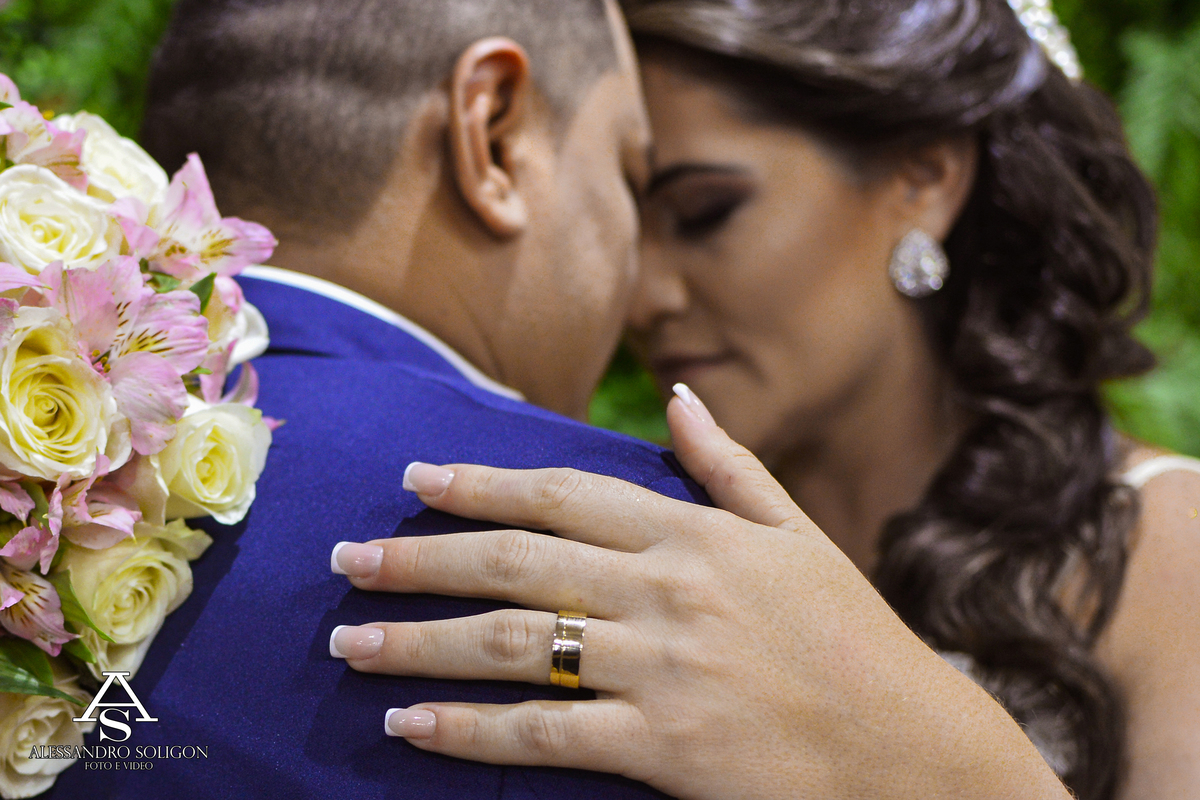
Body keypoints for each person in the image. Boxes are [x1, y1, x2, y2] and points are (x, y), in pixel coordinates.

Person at [327, 1, 1199, 799]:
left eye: (706, 211)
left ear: (924, 176)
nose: (645, 297)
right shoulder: (651, 540)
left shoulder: (1170, 546)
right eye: (634, 217)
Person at [44, 1, 695, 797]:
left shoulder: (36, 481)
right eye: (629, 173)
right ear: (494, 136)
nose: (649, 293)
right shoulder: (628, 551)